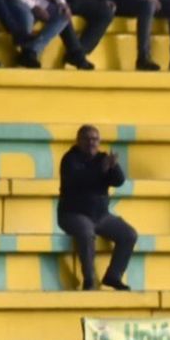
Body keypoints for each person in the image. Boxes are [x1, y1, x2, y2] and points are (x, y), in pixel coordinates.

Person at [57, 125, 135, 291]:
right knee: (86, 234)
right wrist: (102, 169)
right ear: (78, 141)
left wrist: (113, 166)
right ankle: (89, 279)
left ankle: (113, 276)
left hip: (101, 216)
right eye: (87, 139)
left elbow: (119, 181)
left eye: (95, 139)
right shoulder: (70, 159)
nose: (91, 143)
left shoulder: (102, 158)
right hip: (73, 214)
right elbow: (80, 180)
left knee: (129, 234)